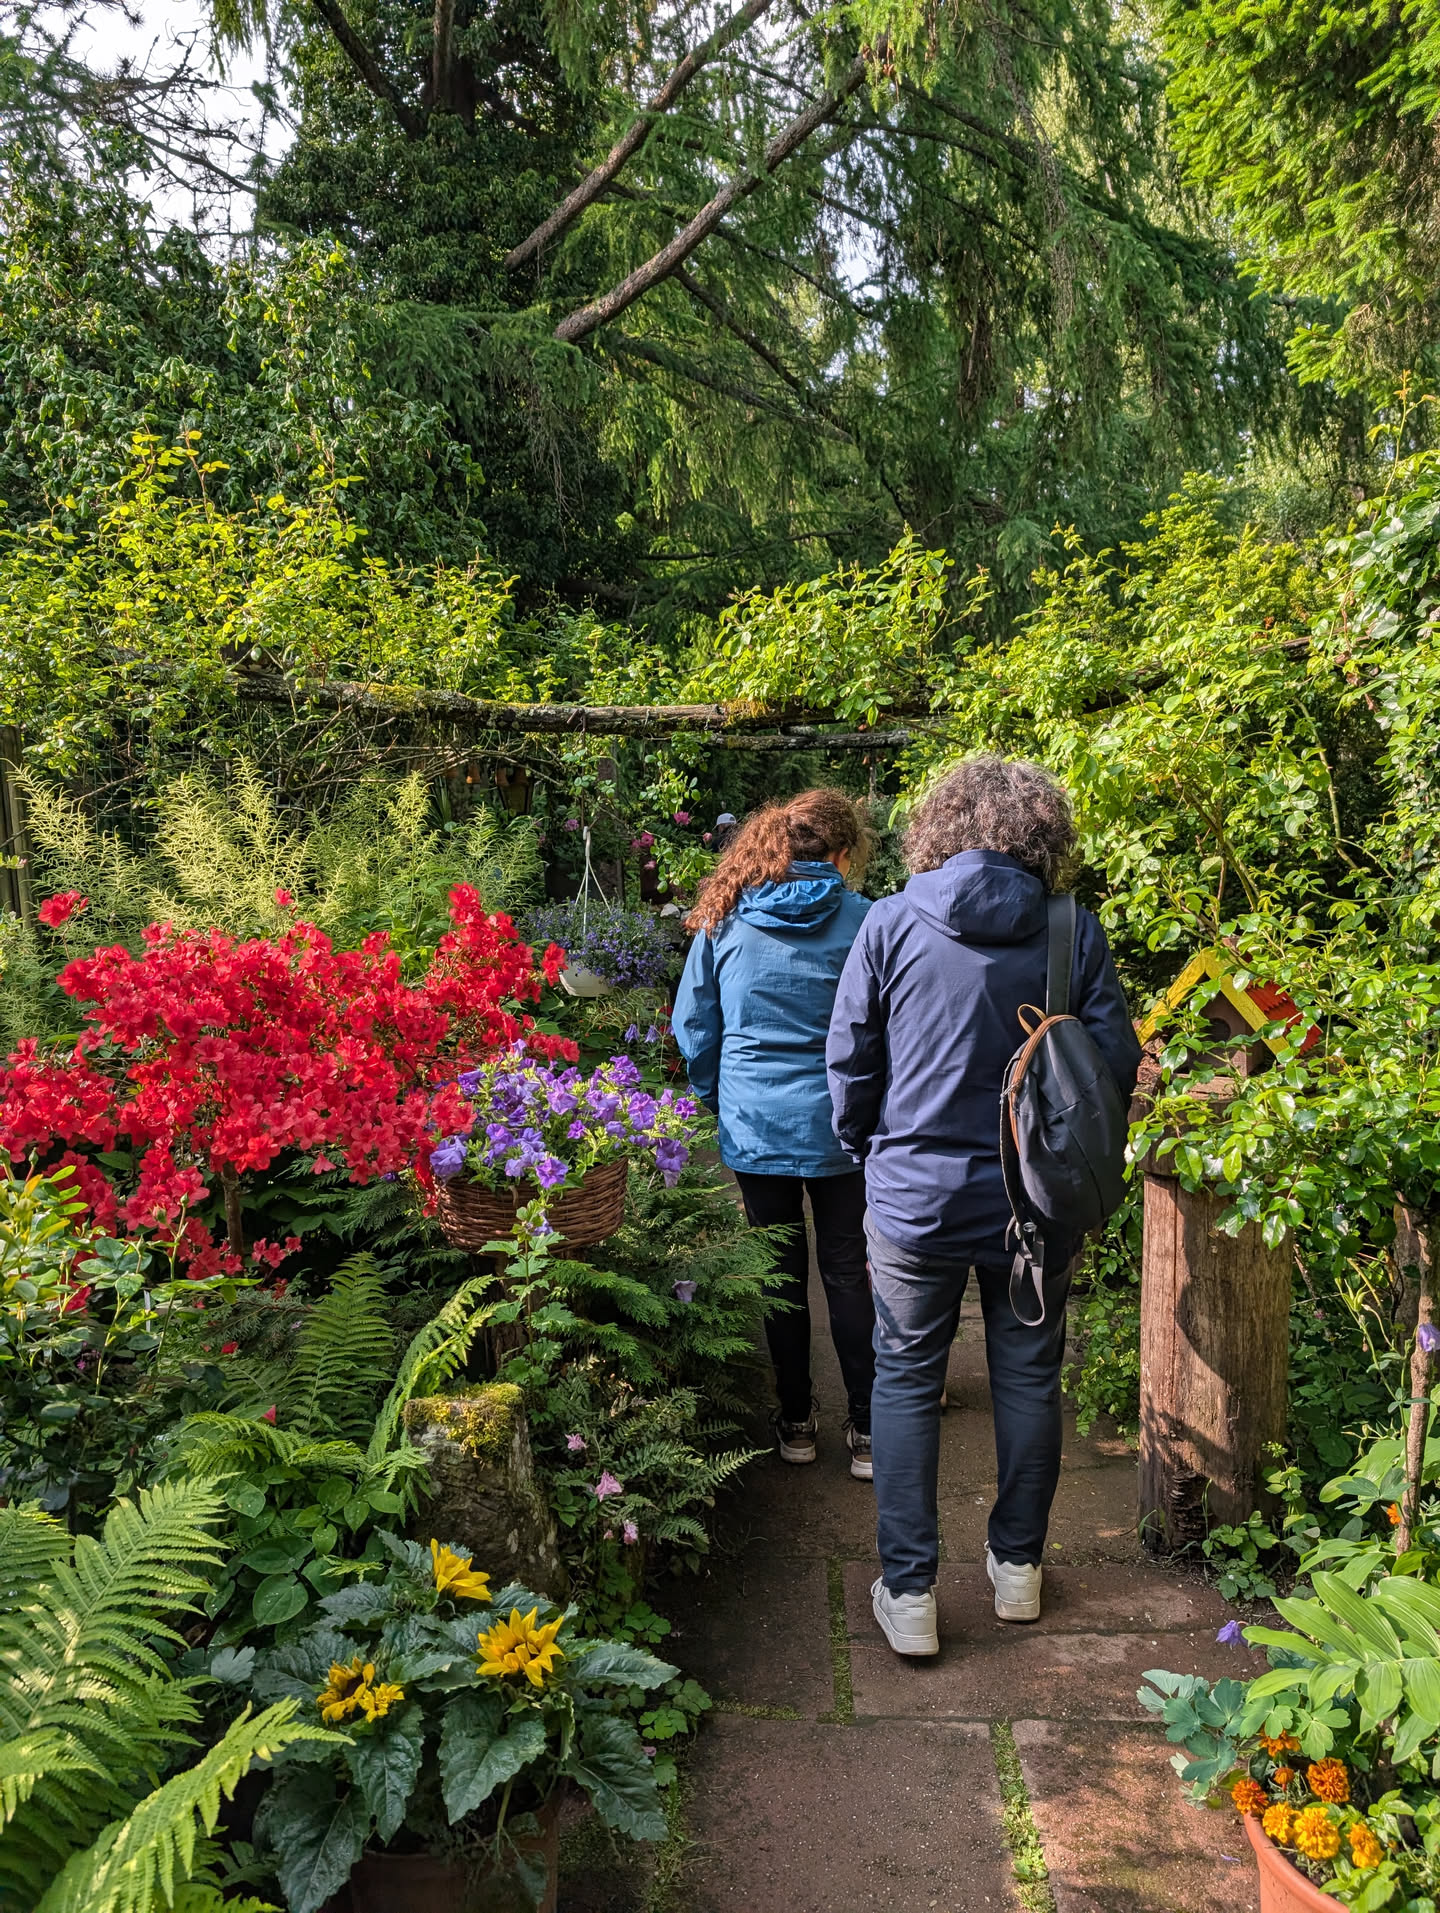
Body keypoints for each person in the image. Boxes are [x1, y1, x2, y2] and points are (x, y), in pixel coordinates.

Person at [826, 755, 1140, 1654]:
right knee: (1030, 1377)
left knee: (903, 1379)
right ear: (1042, 834)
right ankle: (1018, 1571)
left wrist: (867, 1151)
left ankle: (910, 1593)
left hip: (914, 1200)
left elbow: (850, 1061)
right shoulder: (1070, 929)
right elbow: (1114, 1066)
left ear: (940, 828)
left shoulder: (890, 921)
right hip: (1033, 1201)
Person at [673, 789, 877, 1476]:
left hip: (756, 1121)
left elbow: (694, 1026)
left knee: (780, 1275)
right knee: (848, 1271)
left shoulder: (725, 919)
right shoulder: (867, 921)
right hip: (843, 1123)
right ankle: (868, 1429)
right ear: (842, 854)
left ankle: (796, 1423)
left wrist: (720, 1098)